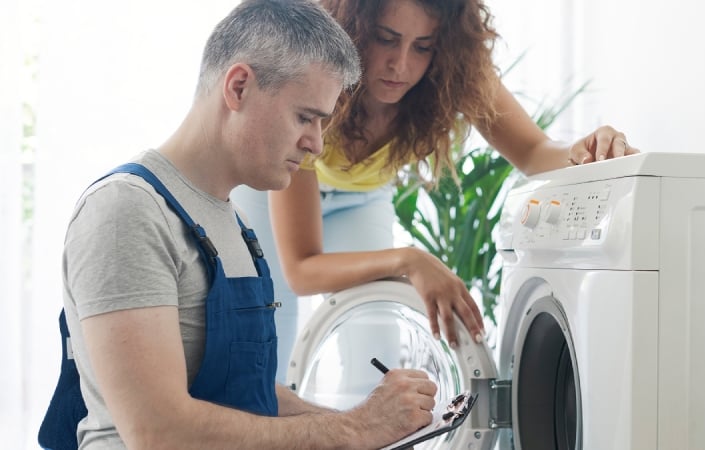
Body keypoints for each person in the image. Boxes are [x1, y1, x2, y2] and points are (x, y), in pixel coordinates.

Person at [49, 1, 438, 448]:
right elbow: (158, 431)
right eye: (305, 117)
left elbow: (242, 393)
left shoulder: (232, 222)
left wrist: (375, 424)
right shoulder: (127, 211)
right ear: (238, 87)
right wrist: (353, 429)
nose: (315, 144)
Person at [231, 0, 640, 379]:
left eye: (423, 46)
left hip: (362, 197)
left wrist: (586, 150)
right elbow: (302, 268)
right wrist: (411, 260)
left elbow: (533, 151)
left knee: (376, 349)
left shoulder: (456, 74)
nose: (400, 65)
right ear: (353, 29)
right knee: (266, 332)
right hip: (270, 182)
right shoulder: (313, 68)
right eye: (386, 39)